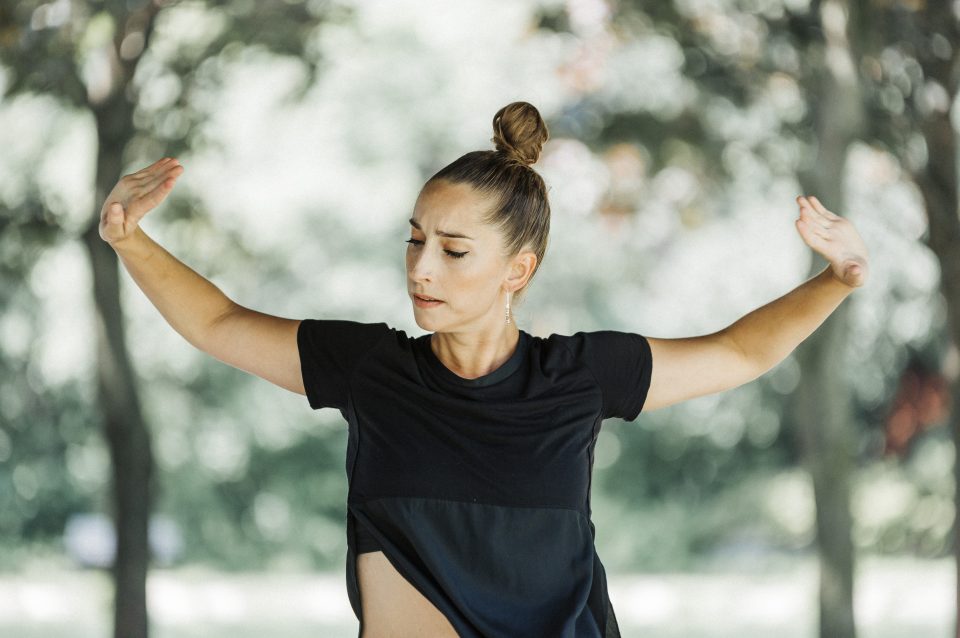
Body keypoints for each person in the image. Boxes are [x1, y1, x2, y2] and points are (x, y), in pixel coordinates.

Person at [98, 101, 869, 637]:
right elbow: (219, 322)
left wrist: (835, 280)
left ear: (517, 270)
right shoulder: (370, 369)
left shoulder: (581, 376)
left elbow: (738, 353)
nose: (422, 267)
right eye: (414, 239)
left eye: (455, 250)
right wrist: (130, 239)